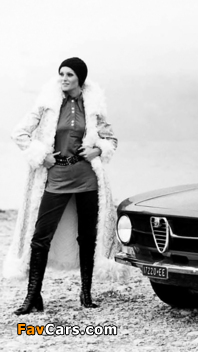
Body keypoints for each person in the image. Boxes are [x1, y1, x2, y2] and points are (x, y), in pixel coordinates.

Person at [4, 57, 125, 315]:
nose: (64, 78)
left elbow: (111, 139)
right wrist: (42, 155)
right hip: (56, 179)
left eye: (69, 74)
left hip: (86, 179)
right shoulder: (48, 104)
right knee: (40, 238)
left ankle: (86, 293)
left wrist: (97, 150)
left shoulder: (92, 106)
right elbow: (19, 133)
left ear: (80, 78)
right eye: (61, 73)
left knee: (87, 237)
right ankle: (32, 296)